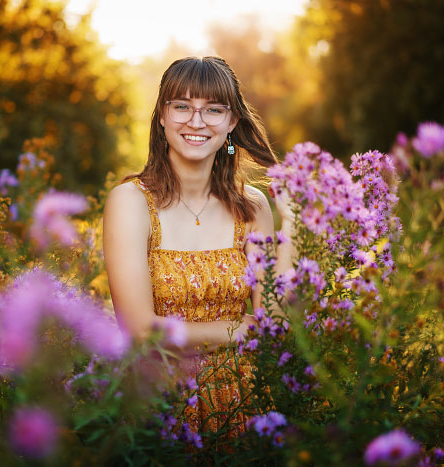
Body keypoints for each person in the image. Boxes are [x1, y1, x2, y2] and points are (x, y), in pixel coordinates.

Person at [103, 56, 294, 436]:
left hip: (246, 407)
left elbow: (273, 322)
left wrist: (293, 224)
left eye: (213, 110)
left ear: (232, 122)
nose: (196, 121)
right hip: (162, 407)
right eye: (182, 107)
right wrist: (240, 330)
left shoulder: (252, 206)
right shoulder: (131, 202)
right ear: (161, 115)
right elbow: (141, 330)